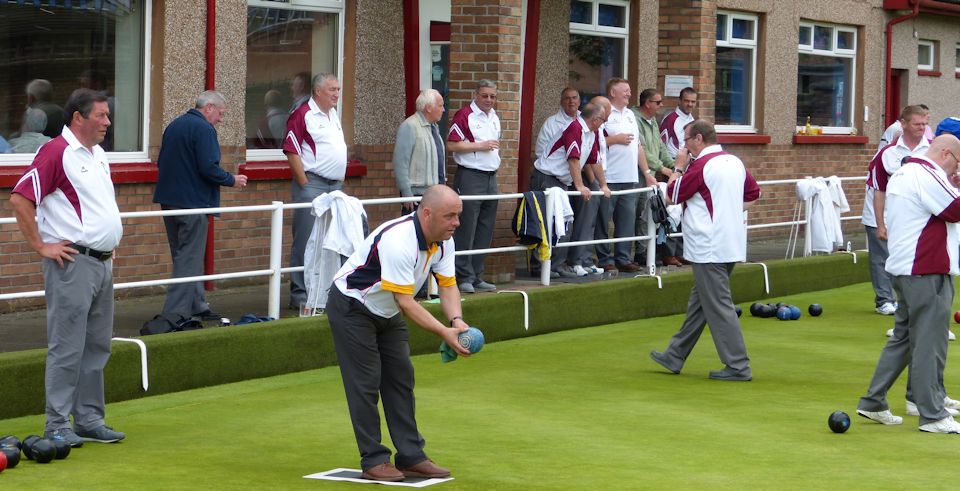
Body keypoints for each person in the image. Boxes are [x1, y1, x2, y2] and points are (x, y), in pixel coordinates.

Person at [326, 185, 470, 482]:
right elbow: (405, 303)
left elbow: (447, 285)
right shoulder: (398, 240)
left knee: (401, 377)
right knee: (365, 382)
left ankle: (411, 456)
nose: (456, 222)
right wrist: (445, 332)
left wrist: (457, 320)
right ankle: (374, 460)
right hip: (353, 305)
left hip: (385, 310)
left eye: (458, 215)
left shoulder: (444, 240)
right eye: (450, 216)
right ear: (426, 214)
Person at [9, 88, 125, 447]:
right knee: (67, 346)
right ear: (78, 117)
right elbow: (20, 198)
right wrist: (41, 245)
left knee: (96, 346)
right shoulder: (56, 152)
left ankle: (89, 419)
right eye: (101, 115)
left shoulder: (99, 155)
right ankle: (57, 424)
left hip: (102, 264)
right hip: (73, 263)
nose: (107, 121)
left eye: (107, 115)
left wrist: (108, 244)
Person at [855, 134, 960, 433]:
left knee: (903, 339)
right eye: (956, 163)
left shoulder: (905, 172)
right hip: (926, 269)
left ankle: (873, 401)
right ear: (944, 154)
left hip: (906, 268)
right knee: (930, 341)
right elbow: (954, 210)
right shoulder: (927, 173)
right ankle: (933, 414)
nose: (954, 171)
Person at [649, 119, 760, 381]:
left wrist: (678, 166)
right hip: (729, 242)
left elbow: (672, 194)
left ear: (698, 139)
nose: (684, 146)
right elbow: (754, 194)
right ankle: (675, 354)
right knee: (700, 303)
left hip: (708, 247)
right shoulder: (734, 161)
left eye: (686, 141)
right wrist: (728, 215)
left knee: (719, 306)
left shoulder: (700, 165)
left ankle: (738, 366)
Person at [153, 90, 248, 324]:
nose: (220, 119)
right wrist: (232, 180)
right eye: (220, 113)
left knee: (184, 256)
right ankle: (176, 314)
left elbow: (162, 161)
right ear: (209, 108)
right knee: (189, 257)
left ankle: (197, 304)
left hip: (170, 200)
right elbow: (208, 167)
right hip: (193, 202)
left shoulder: (174, 125)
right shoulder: (204, 129)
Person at [283, 73, 347, 309]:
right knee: (306, 239)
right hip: (313, 184)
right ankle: (300, 294)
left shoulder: (333, 115)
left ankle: (325, 292)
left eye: (339, 90)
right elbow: (292, 150)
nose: (337, 94)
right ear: (318, 91)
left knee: (331, 241)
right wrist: (305, 184)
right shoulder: (303, 114)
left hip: (335, 186)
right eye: (332, 89)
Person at [863, 105, 930, 318]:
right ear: (903, 124)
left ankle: (912, 303)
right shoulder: (887, 154)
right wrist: (880, 223)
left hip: (915, 219)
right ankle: (884, 300)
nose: (922, 128)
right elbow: (878, 190)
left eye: (924, 124)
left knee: (912, 260)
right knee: (881, 258)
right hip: (885, 214)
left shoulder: (932, 151)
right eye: (917, 124)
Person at [531, 102, 606, 277]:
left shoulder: (591, 133)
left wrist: (603, 185)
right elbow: (573, 159)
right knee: (552, 222)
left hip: (560, 180)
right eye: (603, 119)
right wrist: (580, 186)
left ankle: (555, 265)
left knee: (563, 222)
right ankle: (544, 267)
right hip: (547, 177)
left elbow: (595, 160)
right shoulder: (574, 128)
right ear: (595, 120)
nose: (604, 123)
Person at [596, 78, 657, 273]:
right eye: (625, 91)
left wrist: (647, 172)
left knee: (627, 220)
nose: (629, 94)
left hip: (629, 177)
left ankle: (623, 258)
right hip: (608, 177)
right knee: (603, 220)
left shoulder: (631, 114)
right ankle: (604, 258)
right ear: (613, 92)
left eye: (630, 91)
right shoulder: (603, 113)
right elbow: (592, 142)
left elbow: (638, 146)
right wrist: (615, 139)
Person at [447, 80, 501, 293]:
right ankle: (463, 276)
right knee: (467, 227)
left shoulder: (495, 117)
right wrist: (480, 145)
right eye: (485, 95)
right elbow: (451, 143)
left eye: (492, 96)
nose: (489, 100)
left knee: (485, 229)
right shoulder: (465, 115)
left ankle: (477, 274)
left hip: (490, 177)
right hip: (470, 176)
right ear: (476, 95)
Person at [632, 89, 681, 266]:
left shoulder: (652, 120)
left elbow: (660, 146)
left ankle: (644, 251)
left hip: (650, 175)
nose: (661, 105)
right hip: (637, 173)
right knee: (638, 215)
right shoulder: (634, 119)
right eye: (658, 102)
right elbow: (641, 149)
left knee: (647, 215)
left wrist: (673, 166)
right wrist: (662, 168)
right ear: (648, 103)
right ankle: (638, 253)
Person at [393, 89, 446, 213]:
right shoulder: (409, 126)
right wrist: (406, 192)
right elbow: (400, 162)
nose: (443, 110)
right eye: (440, 106)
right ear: (428, 108)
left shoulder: (434, 128)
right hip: (416, 196)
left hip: (435, 194)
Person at [660, 87, 697, 159]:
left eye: (693, 102)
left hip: (688, 161)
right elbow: (661, 145)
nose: (690, 104)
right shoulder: (670, 119)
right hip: (673, 162)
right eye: (687, 101)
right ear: (679, 101)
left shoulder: (692, 119)